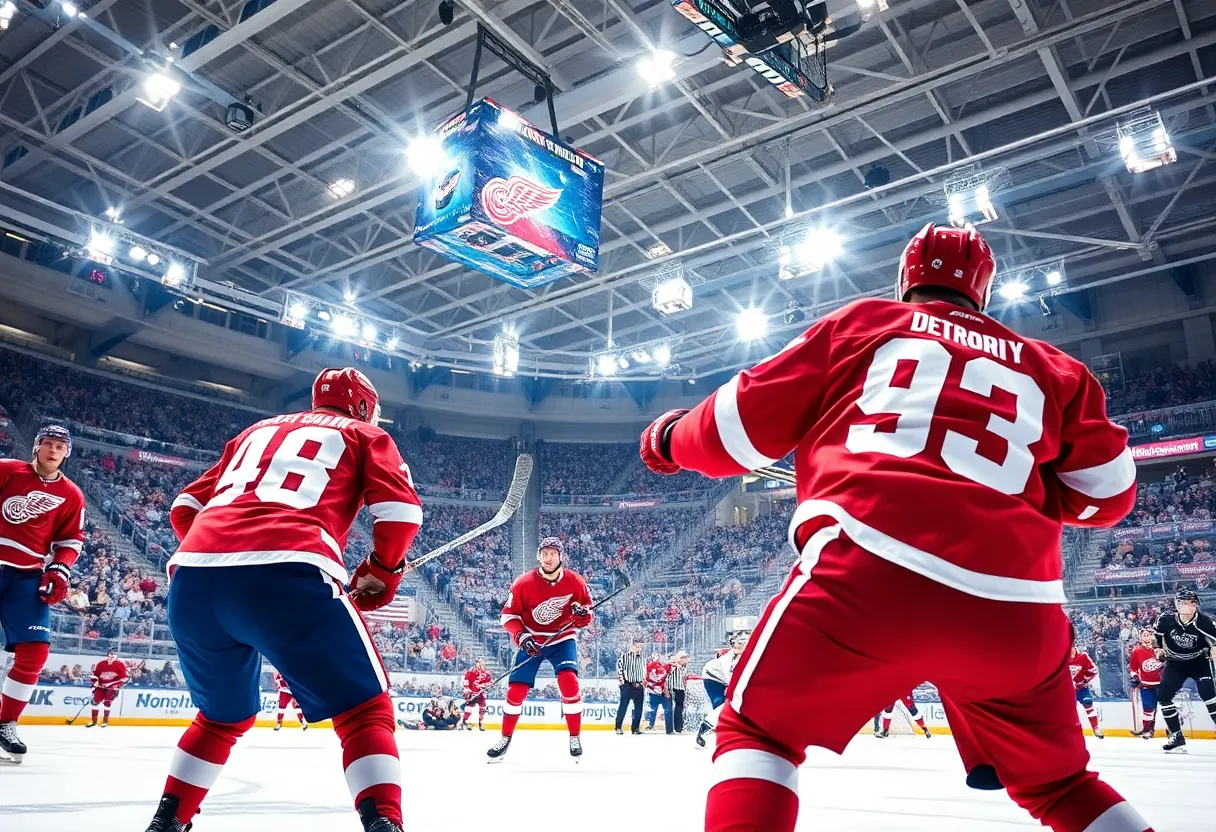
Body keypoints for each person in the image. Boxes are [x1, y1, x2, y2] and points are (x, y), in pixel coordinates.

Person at [638, 223, 1153, 832]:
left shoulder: (863, 324)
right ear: (984, 294)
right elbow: (1110, 496)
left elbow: (733, 432)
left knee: (759, 730)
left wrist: (668, 438)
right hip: (1017, 603)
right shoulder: (1057, 371)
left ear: (906, 280)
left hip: (869, 564)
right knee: (1061, 784)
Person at [142, 368, 423, 832]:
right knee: (364, 712)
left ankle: (167, 822)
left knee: (220, 717)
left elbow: (184, 507)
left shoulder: (255, 432)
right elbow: (401, 512)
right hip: (287, 569)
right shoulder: (363, 432)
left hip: (193, 578)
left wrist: (224, 556)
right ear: (362, 406)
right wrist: (383, 570)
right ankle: (384, 824)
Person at [0, 425, 85, 764]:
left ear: (67, 454)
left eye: (60, 446)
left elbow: (70, 541)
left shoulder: (73, 494)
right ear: (36, 447)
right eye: (48, 444)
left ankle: (6, 723)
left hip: (27, 577)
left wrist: (59, 569)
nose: (53, 450)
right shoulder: (7, 470)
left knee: (35, 652)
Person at [488, 537, 592, 762]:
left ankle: (575, 737)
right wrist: (521, 636)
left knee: (569, 682)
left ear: (560, 556)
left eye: (553, 553)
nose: (548, 557)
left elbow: (587, 615)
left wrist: (581, 616)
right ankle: (505, 738)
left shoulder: (576, 582)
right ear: (539, 556)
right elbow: (508, 616)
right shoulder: (523, 582)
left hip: (562, 639)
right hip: (532, 640)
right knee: (515, 690)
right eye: (544, 553)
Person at [1151, 587, 1216, 753]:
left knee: (1208, 695)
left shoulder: (1205, 622)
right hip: (1175, 663)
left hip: (1199, 661)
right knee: (1163, 696)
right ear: (1176, 604)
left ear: (1196, 605)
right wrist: (1157, 649)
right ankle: (1177, 735)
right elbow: (1156, 636)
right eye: (1183, 602)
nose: (1186, 606)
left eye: (1191, 602)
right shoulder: (1165, 619)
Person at [695, 629, 749, 748]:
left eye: (745, 643)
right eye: (739, 643)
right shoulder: (729, 658)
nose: (743, 645)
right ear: (733, 644)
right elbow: (729, 676)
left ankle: (726, 730)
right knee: (721, 704)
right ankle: (705, 729)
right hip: (712, 678)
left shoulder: (747, 656)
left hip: (723, 679)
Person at [1127, 628, 1163, 739]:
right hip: (1146, 685)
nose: (1146, 638)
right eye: (1144, 635)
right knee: (1148, 708)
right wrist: (1134, 677)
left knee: (1167, 707)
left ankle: (1172, 730)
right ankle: (1147, 730)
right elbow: (1133, 668)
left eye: (1149, 635)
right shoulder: (1137, 651)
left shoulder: (1161, 649)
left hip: (1163, 685)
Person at [87, 648, 128, 728]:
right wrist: (95, 682)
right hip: (100, 687)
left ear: (116, 658)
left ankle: (105, 721)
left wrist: (112, 684)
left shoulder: (120, 665)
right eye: (110, 657)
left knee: (107, 703)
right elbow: (95, 676)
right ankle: (93, 721)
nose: (111, 659)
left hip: (112, 688)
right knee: (95, 702)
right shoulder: (101, 664)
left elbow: (124, 678)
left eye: (113, 657)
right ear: (107, 656)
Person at [1069, 644, 1103, 739]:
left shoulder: (1083, 656)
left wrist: (1085, 679)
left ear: (1074, 647)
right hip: (1068, 690)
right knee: (1070, 710)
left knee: (1088, 703)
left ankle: (1095, 727)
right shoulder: (1060, 658)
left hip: (1082, 688)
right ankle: (1071, 732)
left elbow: (1093, 670)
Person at [614, 640, 646, 735]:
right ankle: (618, 727)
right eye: (637, 647)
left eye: (640, 647)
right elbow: (619, 669)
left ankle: (635, 728)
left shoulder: (642, 658)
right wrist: (623, 682)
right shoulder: (624, 657)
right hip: (627, 685)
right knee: (623, 706)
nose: (639, 649)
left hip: (639, 685)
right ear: (632, 647)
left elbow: (643, 671)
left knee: (638, 708)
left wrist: (641, 682)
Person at [644, 652, 673, 733]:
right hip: (652, 691)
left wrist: (666, 690)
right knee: (653, 709)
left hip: (663, 691)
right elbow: (647, 677)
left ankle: (669, 729)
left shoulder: (667, 666)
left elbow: (666, 678)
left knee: (668, 710)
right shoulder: (650, 665)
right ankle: (650, 724)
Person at [460, 658, 492, 731]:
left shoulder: (486, 673)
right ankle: (464, 722)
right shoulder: (470, 672)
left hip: (481, 694)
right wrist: (467, 692)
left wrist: (485, 686)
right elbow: (466, 682)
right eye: (479, 662)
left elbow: (490, 683)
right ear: (476, 663)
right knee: (468, 709)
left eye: (482, 662)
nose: (480, 664)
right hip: (472, 694)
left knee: (482, 708)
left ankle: (480, 723)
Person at [667, 651, 691, 733]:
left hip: (680, 688)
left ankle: (679, 727)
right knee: (675, 708)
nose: (685, 660)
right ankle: (675, 727)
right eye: (683, 658)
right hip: (673, 688)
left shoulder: (684, 667)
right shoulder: (673, 665)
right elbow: (667, 675)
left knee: (680, 707)